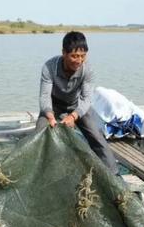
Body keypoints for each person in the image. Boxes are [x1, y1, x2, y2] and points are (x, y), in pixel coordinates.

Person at [36, 31, 118, 174]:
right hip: (53, 106)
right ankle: (39, 172)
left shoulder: (88, 69)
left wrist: (73, 116)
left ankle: (113, 174)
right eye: (74, 56)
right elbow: (44, 96)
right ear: (64, 53)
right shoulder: (49, 67)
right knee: (39, 133)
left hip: (76, 106)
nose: (79, 60)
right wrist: (50, 117)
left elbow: (87, 99)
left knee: (96, 136)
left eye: (83, 56)